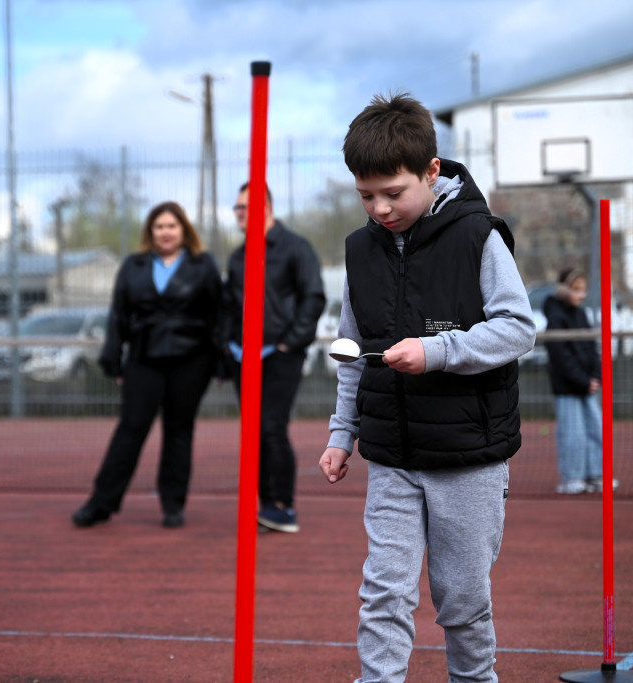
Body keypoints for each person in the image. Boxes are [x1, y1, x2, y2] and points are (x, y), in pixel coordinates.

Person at [318, 93, 535, 683]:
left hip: (468, 458)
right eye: (366, 196)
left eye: (394, 192)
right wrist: (343, 433)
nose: (380, 208)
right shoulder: (360, 252)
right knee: (383, 592)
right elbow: (352, 352)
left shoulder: (479, 237)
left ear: (432, 172)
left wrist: (438, 352)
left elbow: (519, 329)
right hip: (391, 457)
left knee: (461, 599)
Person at [73, 202, 222, 530]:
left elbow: (218, 315)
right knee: (130, 429)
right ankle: (101, 503)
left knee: (178, 431)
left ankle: (173, 506)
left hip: (191, 361)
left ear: (183, 230)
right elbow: (118, 315)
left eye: (172, 226)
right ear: (150, 232)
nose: (165, 232)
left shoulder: (203, 265)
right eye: (159, 227)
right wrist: (113, 360)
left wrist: (222, 362)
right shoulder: (133, 266)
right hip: (144, 359)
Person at [221, 183, 325, 533]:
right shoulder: (238, 257)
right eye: (236, 208)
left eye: (243, 207)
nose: (237, 214)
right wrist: (228, 348)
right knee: (253, 432)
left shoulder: (295, 248)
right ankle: (266, 507)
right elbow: (230, 308)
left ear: (265, 206)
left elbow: (313, 298)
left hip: (279, 355)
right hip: (243, 356)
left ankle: (283, 506)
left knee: (272, 428)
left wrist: (289, 344)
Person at [543, 268, 610, 495]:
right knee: (573, 434)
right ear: (564, 290)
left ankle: (596, 475)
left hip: (587, 386)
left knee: (595, 429)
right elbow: (561, 356)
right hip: (568, 389)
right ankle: (573, 478)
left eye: (583, 290)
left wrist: (595, 377)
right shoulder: (556, 316)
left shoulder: (581, 314)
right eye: (576, 290)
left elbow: (593, 348)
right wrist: (582, 381)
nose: (582, 295)